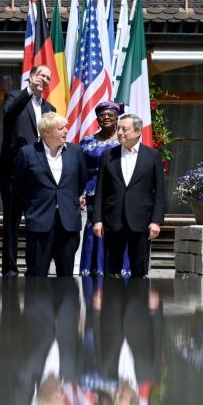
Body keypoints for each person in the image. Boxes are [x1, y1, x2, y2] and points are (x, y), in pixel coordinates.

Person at [0, 65, 56, 275]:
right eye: (41, 75)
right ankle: (10, 269)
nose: (45, 79)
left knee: (37, 223)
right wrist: (30, 90)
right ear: (31, 77)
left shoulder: (50, 109)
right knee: (11, 225)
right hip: (13, 173)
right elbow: (9, 113)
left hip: (39, 175)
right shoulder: (14, 97)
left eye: (48, 78)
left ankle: (35, 267)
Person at [14, 112, 87, 277]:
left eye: (66, 127)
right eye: (61, 128)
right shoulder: (27, 153)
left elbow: (81, 182)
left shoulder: (76, 152)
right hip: (39, 221)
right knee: (37, 275)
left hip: (68, 223)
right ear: (46, 132)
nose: (66, 131)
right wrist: (35, 206)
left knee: (66, 277)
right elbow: (20, 187)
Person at [93, 114, 166, 278]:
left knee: (139, 271)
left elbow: (159, 192)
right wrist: (97, 220)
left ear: (138, 131)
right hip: (113, 220)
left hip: (141, 222)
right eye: (118, 128)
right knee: (112, 272)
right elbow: (100, 192)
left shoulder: (152, 156)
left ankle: (138, 303)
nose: (119, 132)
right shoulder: (108, 155)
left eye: (124, 129)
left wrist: (156, 221)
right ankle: (112, 303)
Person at [80, 101, 125, 276]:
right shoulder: (87, 142)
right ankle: (93, 271)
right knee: (95, 229)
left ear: (117, 117)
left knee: (117, 229)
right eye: (102, 114)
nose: (106, 117)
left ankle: (117, 272)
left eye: (110, 114)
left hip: (118, 195)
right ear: (97, 118)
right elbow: (79, 170)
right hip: (92, 195)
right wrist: (80, 192)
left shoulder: (124, 142)